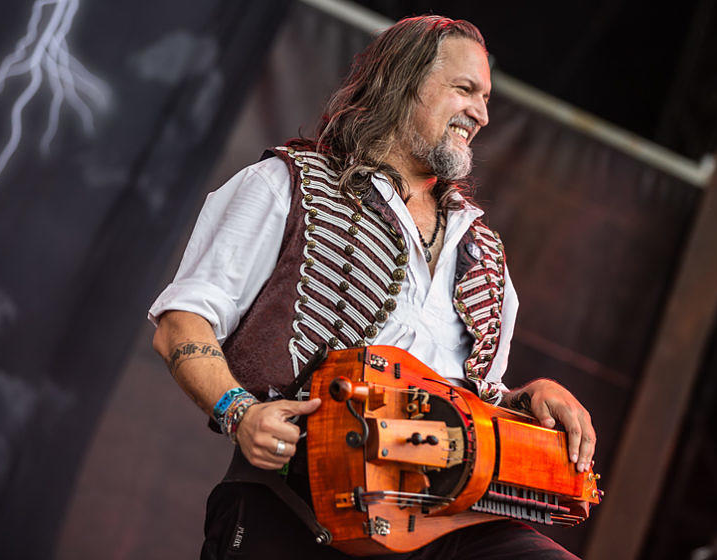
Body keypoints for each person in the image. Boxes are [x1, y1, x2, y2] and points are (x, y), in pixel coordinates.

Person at [149, 15, 596, 559]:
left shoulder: (484, 251)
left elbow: (478, 397)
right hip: (299, 502)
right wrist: (239, 411)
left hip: (444, 519)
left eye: (485, 98)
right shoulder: (285, 186)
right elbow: (181, 324)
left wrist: (527, 397)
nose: (481, 114)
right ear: (403, 82)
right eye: (465, 89)